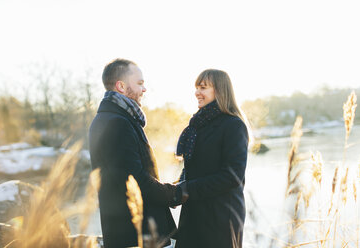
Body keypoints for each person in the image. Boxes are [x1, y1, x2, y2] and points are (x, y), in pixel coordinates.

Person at [89, 58, 186, 248]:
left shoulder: (114, 118)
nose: (144, 89)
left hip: (128, 232)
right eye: (140, 83)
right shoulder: (118, 123)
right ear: (121, 86)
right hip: (135, 234)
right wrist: (175, 193)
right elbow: (135, 180)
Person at [175, 69, 249, 248]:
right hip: (193, 213)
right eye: (196, 88)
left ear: (220, 91)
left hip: (221, 217)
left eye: (203, 87)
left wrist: (186, 189)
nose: (197, 93)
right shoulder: (197, 126)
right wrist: (175, 188)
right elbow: (194, 168)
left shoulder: (233, 126)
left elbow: (232, 177)